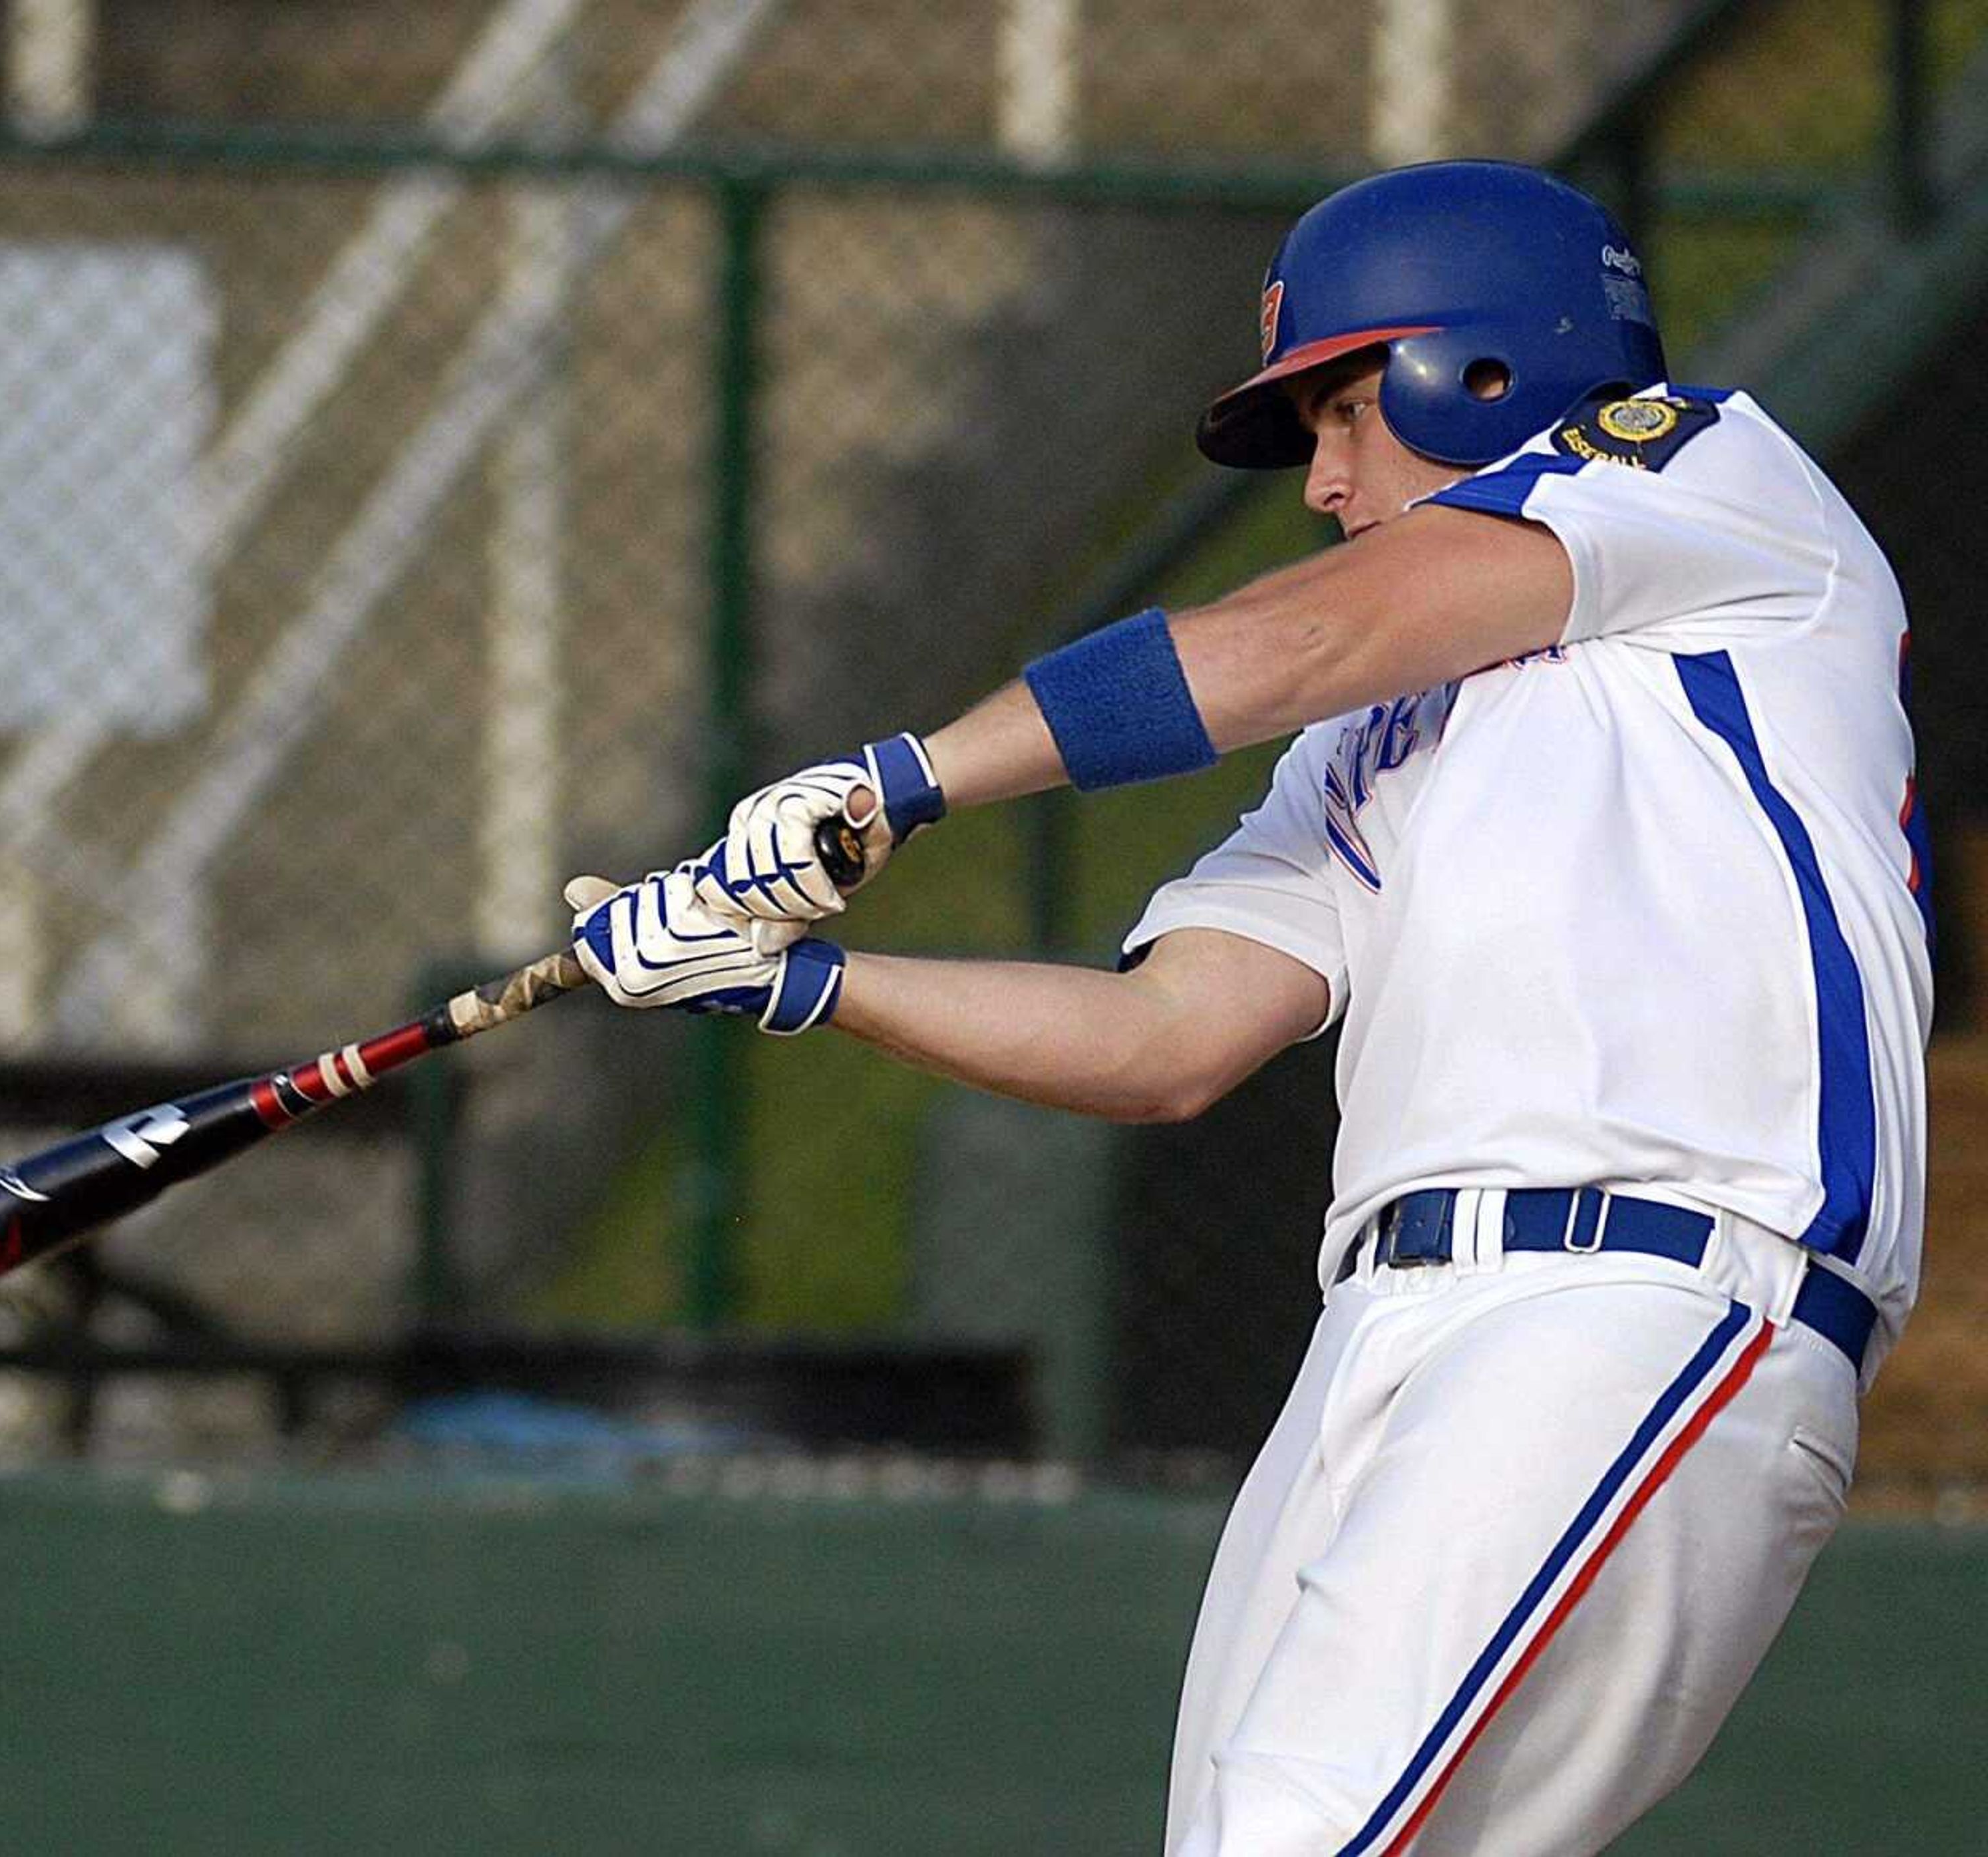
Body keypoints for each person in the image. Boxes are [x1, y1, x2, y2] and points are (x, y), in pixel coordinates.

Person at [566, 162, 1928, 1854]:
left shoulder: (1701, 474)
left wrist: (897, 780)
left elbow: (1282, 644)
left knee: (1296, 1827)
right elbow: (1166, 1039)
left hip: (1650, 1283)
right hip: (1391, 1327)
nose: (1323, 482)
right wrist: (801, 982)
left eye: (1345, 411)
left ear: (1482, 368)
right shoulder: (1367, 737)